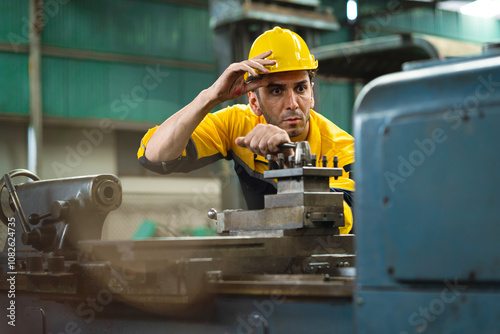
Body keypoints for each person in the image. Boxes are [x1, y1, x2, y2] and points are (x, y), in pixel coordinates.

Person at [137, 27, 355, 233]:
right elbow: (156, 156)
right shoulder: (237, 124)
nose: (293, 103)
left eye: (300, 88)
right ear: (254, 102)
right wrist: (211, 97)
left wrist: (291, 164)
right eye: (277, 90)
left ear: (312, 94)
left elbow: (343, 218)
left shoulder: (345, 151)